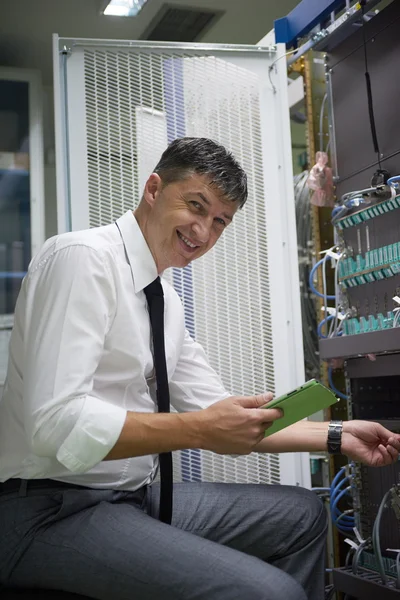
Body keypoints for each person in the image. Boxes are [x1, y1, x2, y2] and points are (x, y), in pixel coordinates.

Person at [0, 137, 399, 600]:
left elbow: (220, 413)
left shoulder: (163, 299)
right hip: (46, 507)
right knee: (270, 593)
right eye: (195, 206)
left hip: (129, 498)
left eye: (219, 222)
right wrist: (199, 430)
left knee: (302, 515)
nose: (204, 233)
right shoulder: (82, 260)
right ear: (153, 188)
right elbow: (55, 426)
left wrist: (339, 434)